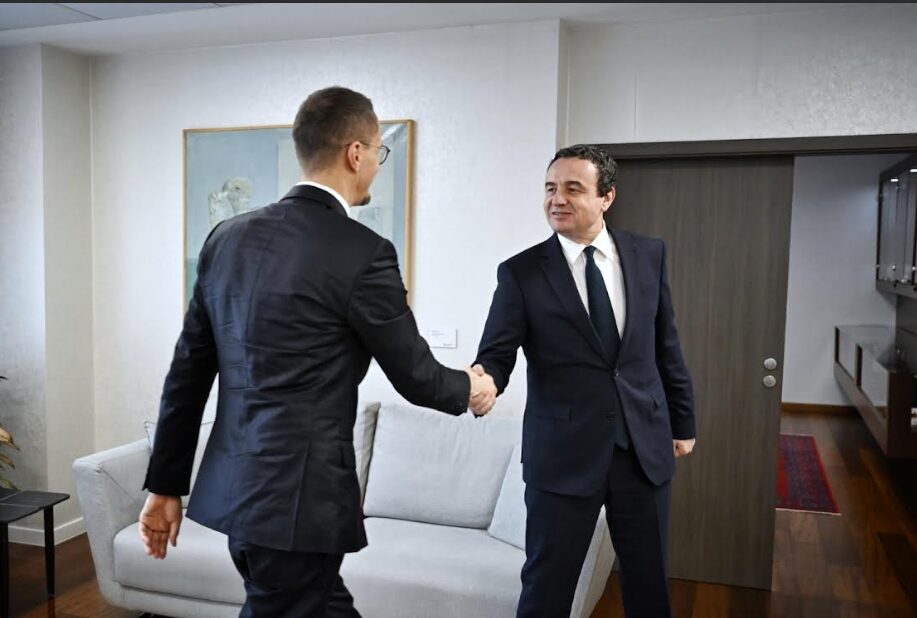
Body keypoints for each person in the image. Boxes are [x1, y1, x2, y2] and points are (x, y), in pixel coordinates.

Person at [138, 86, 497, 617]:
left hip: (239, 495)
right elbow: (417, 375)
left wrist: (164, 486)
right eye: (378, 152)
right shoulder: (364, 252)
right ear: (356, 153)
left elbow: (186, 375)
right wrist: (473, 386)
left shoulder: (225, 239)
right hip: (299, 505)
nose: (376, 165)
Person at [473, 144, 695, 617]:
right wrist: (485, 380)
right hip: (562, 457)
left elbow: (665, 346)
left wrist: (683, 421)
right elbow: (496, 352)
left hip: (642, 449)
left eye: (573, 189)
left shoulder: (648, 255)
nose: (557, 199)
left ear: (606, 197)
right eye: (550, 188)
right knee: (546, 590)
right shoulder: (521, 273)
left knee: (649, 585)